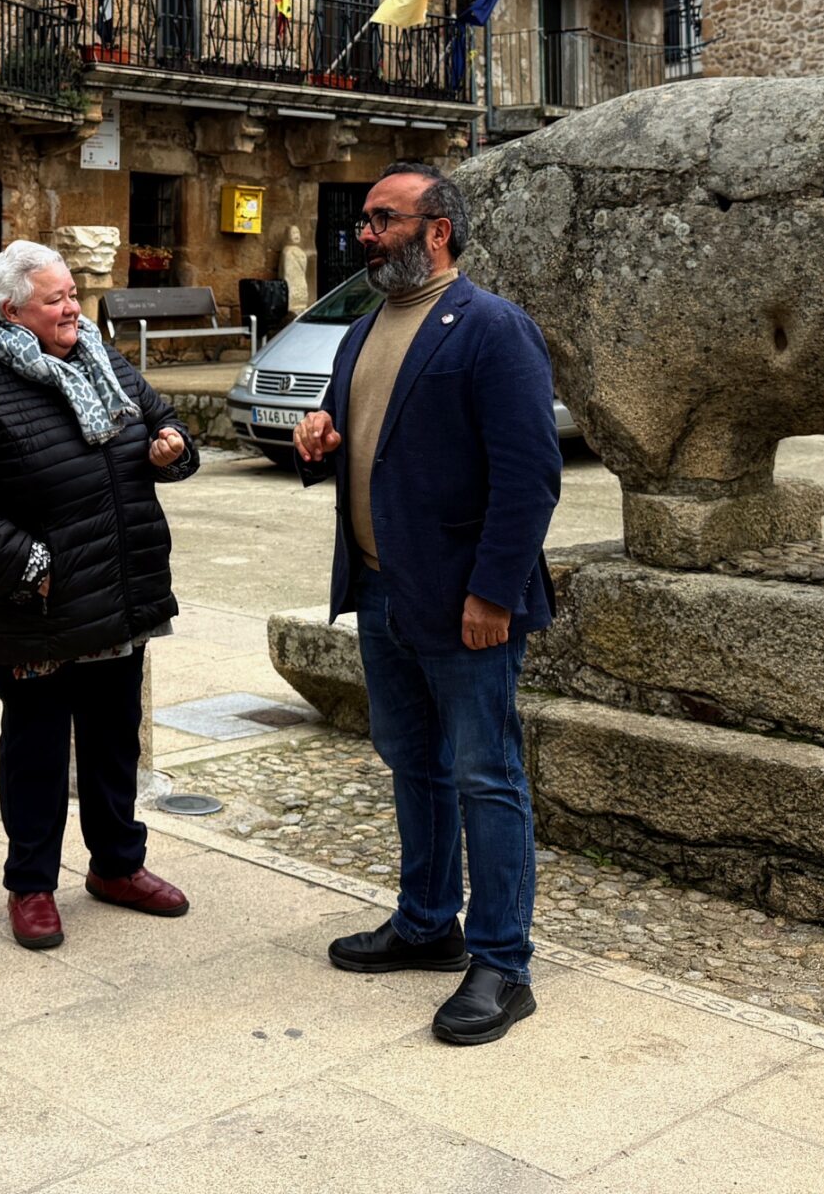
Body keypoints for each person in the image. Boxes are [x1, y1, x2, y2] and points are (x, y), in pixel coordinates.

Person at [294, 161, 561, 1046]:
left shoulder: (492, 330)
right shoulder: (364, 329)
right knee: (412, 758)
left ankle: (502, 964)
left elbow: (530, 477)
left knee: (488, 775)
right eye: (365, 221)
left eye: (383, 219)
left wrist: (493, 591)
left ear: (437, 229)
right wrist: (318, 440)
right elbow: (358, 439)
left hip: (464, 601)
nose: (364, 234)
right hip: (381, 587)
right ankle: (426, 924)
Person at [0, 240, 198, 951]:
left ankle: (117, 867)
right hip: (36, 606)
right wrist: (29, 564)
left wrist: (173, 447)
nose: (73, 307)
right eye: (56, 299)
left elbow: (168, 424)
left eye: (73, 294)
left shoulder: (104, 362)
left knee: (112, 740)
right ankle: (32, 884)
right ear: (12, 311)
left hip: (115, 594)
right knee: (38, 749)